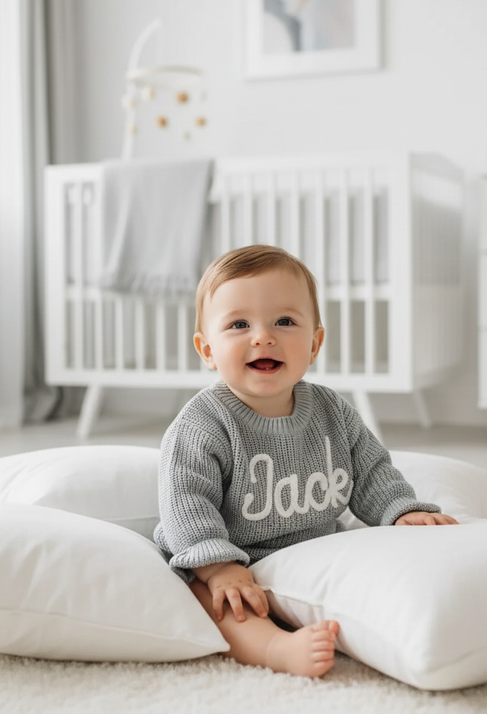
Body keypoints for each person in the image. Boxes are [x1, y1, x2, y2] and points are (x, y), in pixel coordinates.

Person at [154, 244, 457, 678]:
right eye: (239, 324)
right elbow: (186, 502)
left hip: (312, 553)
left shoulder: (331, 411)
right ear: (207, 350)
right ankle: (274, 647)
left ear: (314, 343)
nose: (263, 336)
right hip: (227, 557)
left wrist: (401, 509)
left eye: (285, 321)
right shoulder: (203, 424)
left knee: (379, 575)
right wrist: (218, 566)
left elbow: (370, 469)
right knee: (213, 602)